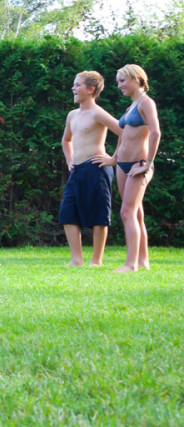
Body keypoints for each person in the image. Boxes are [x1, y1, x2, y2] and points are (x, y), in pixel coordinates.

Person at [94, 64, 161, 272]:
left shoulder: (146, 103)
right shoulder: (130, 106)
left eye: (122, 81)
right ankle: (143, 261)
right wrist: (113, 158)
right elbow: (124, 135)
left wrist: (148, 164)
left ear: (136, 78)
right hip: (123, 165)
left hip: (138, 165)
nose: (119, 86)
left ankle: (130, 264)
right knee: (136, 213)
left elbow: (156, 133)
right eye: (118, 82)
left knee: (127, 212)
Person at [59, 71, 122, 267]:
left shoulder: (98, 113)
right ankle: (76, 260)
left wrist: (113, 159)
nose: (73, 89)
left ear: (90, 89)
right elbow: (66, 140)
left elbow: (123, 132)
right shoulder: (72, 115)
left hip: (97, 168)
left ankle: (96, 261)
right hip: (77, 170)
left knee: (99, 215)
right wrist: (70, 160)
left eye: (77, 85)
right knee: (67, 213)